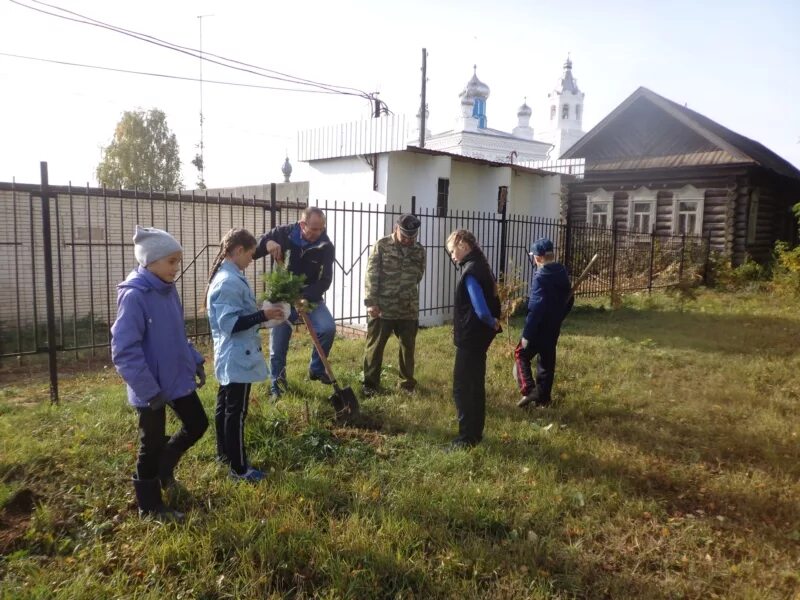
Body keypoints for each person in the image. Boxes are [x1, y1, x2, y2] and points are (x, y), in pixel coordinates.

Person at [111, 225, 209, 520]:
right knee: (150, 444)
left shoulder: (168, 289)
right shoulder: (135, 296)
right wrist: (148, 391)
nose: (176, 268)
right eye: (171, 261)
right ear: (149, 261)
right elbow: (124, 351)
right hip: (150, 387)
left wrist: (194, 359)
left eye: (178, 261)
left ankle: (165, 467)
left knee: (197, 423)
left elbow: (177, 333)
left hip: (176, 375)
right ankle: (149, 506)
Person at [207, 228, 287, 482]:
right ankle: (239, 469)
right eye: (251, 254)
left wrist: (260, 316)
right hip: (237, 355)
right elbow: (230, 323)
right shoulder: (228, 281)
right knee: (237, 412)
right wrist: (263, 315)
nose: (252, 260)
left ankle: (224, 456)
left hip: (232, 353)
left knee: (224, 408)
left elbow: (236, 318)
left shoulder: (229, 276)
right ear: (239, 251)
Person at [254, 207, 336, 398]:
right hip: (281, 298)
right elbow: (253, 250)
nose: (318, 233)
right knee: (278, 346)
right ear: (302, 224)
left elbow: (325, 280)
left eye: (321, 228)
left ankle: (316, 368)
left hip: (309, 297)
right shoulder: (283, 234)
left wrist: (305, 296)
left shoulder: (325, 245)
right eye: (314, 229)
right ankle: (278, 387)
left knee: (327, 328)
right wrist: (267, 243)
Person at [446, 229, 502, 448]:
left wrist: (491, 321)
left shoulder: (470, 271)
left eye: (452, 251)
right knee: (476, 385)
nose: (452, 256)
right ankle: (476, 434)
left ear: (463, 246)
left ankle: (466, 438)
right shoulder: (483, 266)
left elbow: (480, 308)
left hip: (470, 337)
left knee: (462, 388)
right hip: (480, 339)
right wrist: (493, 324)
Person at [362, 214, 426, 396]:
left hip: (408, 307)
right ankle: (370, 385)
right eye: (404, 236)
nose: (408, 240)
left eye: (412, 237)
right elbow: (371, 274)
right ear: (396, 229)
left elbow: (418, 275)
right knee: (375, 347)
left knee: (408, 348)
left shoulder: (419, 251)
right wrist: (371, 302)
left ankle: (407, 385)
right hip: (382, 308)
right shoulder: (382, 246)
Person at [514, 237, 574, 409]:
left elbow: (536, 307)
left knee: (521, 354)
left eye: (533, 257)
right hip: (553, 326)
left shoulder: (541, 276)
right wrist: (559, 316)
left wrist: (527, 334)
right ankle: (544, 399)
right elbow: (570, 300)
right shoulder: (561, 272)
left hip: (538, 327)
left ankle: (530, 389)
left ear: (539, 258)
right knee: (547, 360)